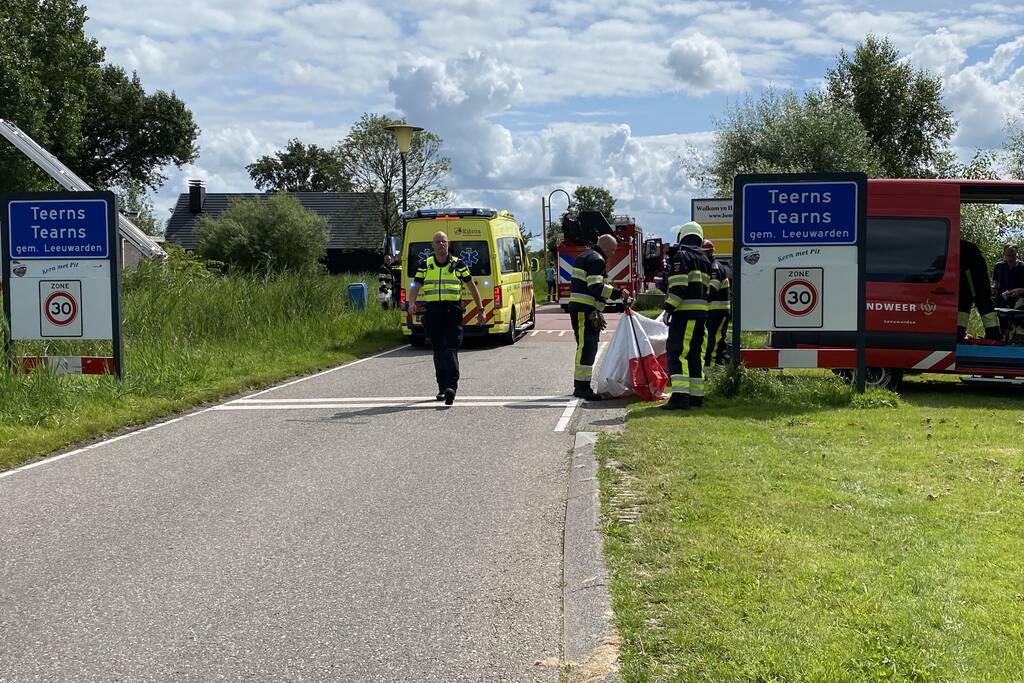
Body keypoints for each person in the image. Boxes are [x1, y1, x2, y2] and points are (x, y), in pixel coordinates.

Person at [406, 231, 485, 405]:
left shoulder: (458, 264)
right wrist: (411, 302)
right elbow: (416, 285)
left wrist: (480, 309)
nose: (441, 245)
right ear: (432, 245)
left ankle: (451, 387)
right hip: (433, 312)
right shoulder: (425, 265)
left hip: (452, 312)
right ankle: (442, 387)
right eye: (438, 242)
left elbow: (471, 286)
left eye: (444, 242)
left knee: (451, 348)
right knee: (438, 350)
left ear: (448, 244)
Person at [567, 233, 628, 401]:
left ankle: (582, 385)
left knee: (587, 346)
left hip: (583, 309)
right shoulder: (597, 260)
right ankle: (582, 387)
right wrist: (617, 293)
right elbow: (595, 286)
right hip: (584, 309)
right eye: (613, 250)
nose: (614, 253)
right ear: (606, 247)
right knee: (586, 347)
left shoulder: (586, 256)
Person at [662, 221, 713, 410]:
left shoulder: (682, 256)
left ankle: (680, 398)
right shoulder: (705, 260)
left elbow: (679, 287)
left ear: (682, 236)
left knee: (678, 353)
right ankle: (696, 397)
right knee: (695, 354)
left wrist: (668, 308)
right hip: (701, 315)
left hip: (685, 315)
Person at [958, 239, 1000, 341]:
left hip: (976, 279)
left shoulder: (964, 250)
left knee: (981, 304)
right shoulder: (966, 247)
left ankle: (993, 336)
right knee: (965, 306)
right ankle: (994, 335)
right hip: (976, 278)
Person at [702, 239, 731, 369]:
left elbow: (710, 290)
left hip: (718, 312)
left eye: (702, 253)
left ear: (709, 253)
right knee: (717, 341)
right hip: (712, 312)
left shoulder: (715, 268)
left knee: (713, 340)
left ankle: (710, 368)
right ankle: (719, 366)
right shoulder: (708, 267)